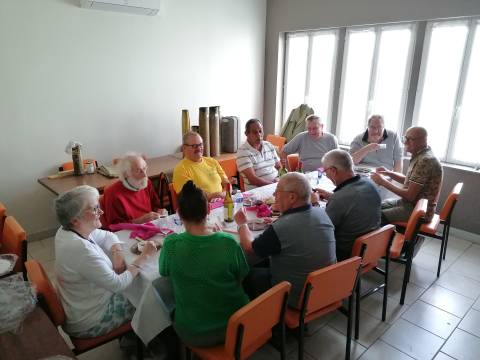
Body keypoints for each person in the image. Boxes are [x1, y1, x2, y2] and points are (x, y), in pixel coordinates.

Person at [54, 185, 156, 338]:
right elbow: (117, 284)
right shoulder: (80, 249)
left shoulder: (67, 229)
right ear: (75, 220)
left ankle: (131, 340)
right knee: (151, 299)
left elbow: (108, 235)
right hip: (91, 320)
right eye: (94, 209)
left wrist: (117, 253)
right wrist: (144, 256)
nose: (101, 212)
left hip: (83, 303)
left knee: (139, 286)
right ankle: (153, 347)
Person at [159, 181, 249, 347]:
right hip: (236, 326)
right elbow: (242, 275)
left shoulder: (171, 244)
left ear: (178, 214)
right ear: (208, 209)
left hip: (194, 333)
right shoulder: (228, 243)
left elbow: (164, 271)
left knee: (166, 308)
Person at [234, 172, 336, 308]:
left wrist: (242, 224)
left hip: (296, 296)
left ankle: (267, 318)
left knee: (246, 273)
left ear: (292, 197)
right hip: (326, 288)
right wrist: (281, 219)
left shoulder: (282, 227)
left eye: (277, 192)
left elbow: (249, 248)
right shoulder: (321, 212)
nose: (274, 196)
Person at [314, 149, 381, 261]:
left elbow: (322, 229)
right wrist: (331, 196)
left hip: (346, 253)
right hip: (371, 247)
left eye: (325, 171)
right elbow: (354, 201)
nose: (326, 175)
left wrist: (312, 204)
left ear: (333, 170)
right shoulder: (369, 184)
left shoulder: (340, 198)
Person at [371, 126, 443, 224]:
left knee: (373, 216)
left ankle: (382, 238)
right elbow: (410, 181)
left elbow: (410, 195)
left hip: (418, 210)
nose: (405, 142)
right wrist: (389, 173)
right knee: (373, 207)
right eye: (405, 138)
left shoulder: (425, 160)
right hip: (409, 204)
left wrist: (383, 182)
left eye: (410, 139)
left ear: (423, 140)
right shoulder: (421, 154)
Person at [103, 153, 165, 228]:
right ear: (126, 174)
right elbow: (114, 227)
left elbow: (156, 206)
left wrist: (160, 211)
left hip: (149, 228)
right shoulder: (112, 194)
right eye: (139, 171)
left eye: (145, 168)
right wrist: (140, 221)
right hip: (128, 234)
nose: (145, 175)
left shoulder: (146, 183)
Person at [172, 131, 230, 201]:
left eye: (201, 144)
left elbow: (227, 183)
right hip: (199, 209)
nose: (199, 148)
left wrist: (224, 194)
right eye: (194, 146)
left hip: (221, 202)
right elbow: (189, 198)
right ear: (184, 148)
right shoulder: (181, 169)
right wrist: (215, 196)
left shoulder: (212, 161)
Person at [236, 119, 281, 190]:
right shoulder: (242, 152)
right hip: (257, 191)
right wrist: (273, 185)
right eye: (255, 132)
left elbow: (279, 166)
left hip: (275, 186)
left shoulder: (268, 145)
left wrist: (279, 179)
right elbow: (253, 179)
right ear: (247, 134)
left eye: (260, 131)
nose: (259, 135)